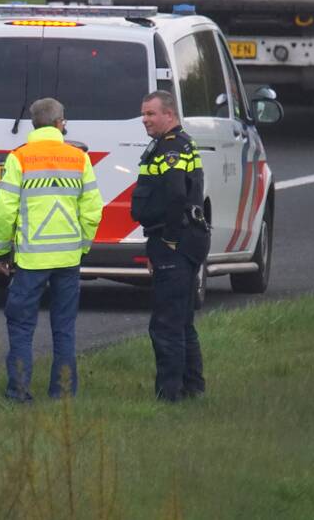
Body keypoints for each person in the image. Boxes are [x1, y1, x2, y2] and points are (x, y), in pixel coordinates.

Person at [0, 98, 104, 401]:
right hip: (68, 258)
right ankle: (63, 394)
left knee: (21, 326)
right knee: (64, 328)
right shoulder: (79, 158)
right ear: (59, 123)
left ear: (34, 124)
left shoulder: (20, 158)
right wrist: (82, 247)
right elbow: (93, 210)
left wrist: (1, 251)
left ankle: (18, 393)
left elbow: (4, 212)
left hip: (30, 259)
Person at [131, 91, 211, 402]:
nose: (145, 120)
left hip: (176, 239)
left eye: (151, 114)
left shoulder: (171, 147)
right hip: (186, 237)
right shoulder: (180, 142)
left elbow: (177, 194)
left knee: (166, 324)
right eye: (143, 114)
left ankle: (170, 396)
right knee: (183, 321)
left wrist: (169, 240)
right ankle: (193, 388)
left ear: (169, 115)